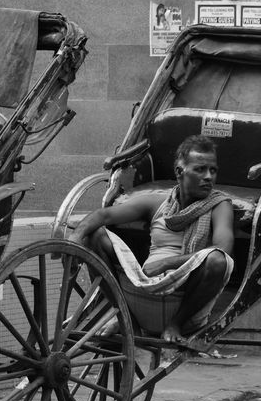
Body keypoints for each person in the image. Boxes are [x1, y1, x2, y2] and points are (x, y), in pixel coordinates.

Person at [69, 134, 235, 347]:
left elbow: (223, 249)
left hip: (186, 302)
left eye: (213, 170)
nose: (209, 177)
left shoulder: (219, 205)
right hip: (143, 290)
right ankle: (123, 315)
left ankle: (173, 325)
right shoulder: (158, 202)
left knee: (218, 259)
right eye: (200, 169)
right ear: (179, 172)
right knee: (94, 235)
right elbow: (104, 216)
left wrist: (167, 263)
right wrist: (75, 237)